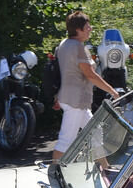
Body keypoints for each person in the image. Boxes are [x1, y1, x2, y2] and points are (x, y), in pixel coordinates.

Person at [51, 11, 119, 162]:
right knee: (65, 141)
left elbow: (60, 72)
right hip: (76, 101)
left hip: (72, 99)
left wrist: (57, 94)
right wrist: (113, 91)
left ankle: (104, 169)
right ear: (78, 30)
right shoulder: (78, 47)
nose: (91, 29)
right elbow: (90, 75)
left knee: (95, 134)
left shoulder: (63, 44)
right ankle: (54, 174)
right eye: (87, 26)